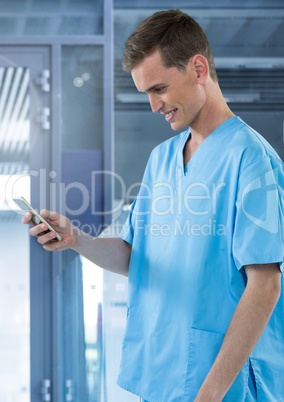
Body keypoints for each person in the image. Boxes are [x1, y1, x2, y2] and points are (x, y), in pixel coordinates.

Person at [23, 9, 284, 402]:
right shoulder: (161, 158)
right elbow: (135, 256)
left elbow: (266, 285)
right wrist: (76, 239)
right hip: (162, 378)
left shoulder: (249, 158)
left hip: (220, 387)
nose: (153, 105)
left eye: (159, 88)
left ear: (198, 69)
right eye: (145, 92)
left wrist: (208, 396)